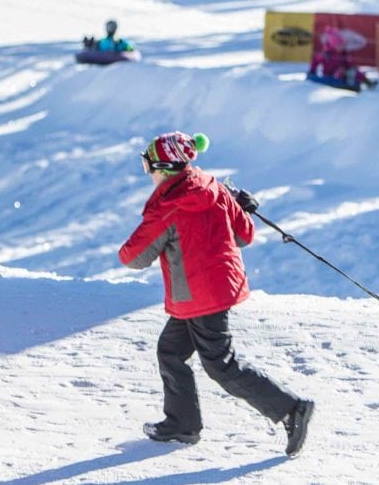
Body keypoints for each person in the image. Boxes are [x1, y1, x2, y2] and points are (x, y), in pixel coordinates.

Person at [118, 132, 314, 457]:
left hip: (200, 295)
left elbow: (132, 258)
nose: (147, 173)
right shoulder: (214, 188)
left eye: (147, 165)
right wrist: (241, 206)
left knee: (221, 365)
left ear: (164, 168)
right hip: (210, 289)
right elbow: (244, 235)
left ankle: (291, 409)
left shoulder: (167, 207)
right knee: (170, 351)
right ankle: (182, 424)